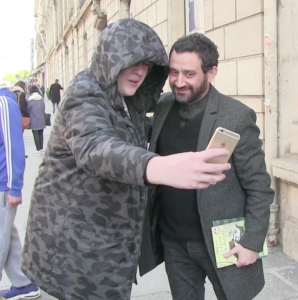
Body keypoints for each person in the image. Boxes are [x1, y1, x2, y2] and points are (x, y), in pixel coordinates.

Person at [21, 19, 231, 300]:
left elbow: (133, 132)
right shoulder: (85, 94)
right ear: (112, 60)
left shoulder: (124, 99)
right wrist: (156, 166)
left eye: (147, 65)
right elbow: (97, 147)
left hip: (105, 249)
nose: (140, 71)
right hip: (74, 254)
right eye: (132, 62)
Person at [139, 33, 275, 300]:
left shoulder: (235, 116)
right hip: (174, 241)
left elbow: (259, 188)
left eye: (189, 74)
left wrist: (251, 242)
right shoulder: (165, 106)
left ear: (211, 72)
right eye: (173, 72)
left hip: (223, 244)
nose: (179, 82)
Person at [0, 85, 40, 300]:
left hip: (2, 185)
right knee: (7, 234)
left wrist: (14, 187)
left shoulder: (4, 103)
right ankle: (23, 283)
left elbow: (13, 146)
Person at [10, 81, 30, 158]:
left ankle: (11, 153)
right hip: (18, 118)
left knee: (12, 137)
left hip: (10, 118)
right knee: (19, 137)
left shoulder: (10, 93)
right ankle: (19, 154)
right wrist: (27, 115)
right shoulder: (21, 94)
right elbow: (22, 107)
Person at [27, 85, 46, 156]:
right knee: (41, 134)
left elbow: (28, 110)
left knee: (36, 135)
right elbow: (44, 108)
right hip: (41, 119)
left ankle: (38, 150)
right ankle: (41, 148)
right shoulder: (41, 99)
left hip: (33, 119)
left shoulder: (30, 100)